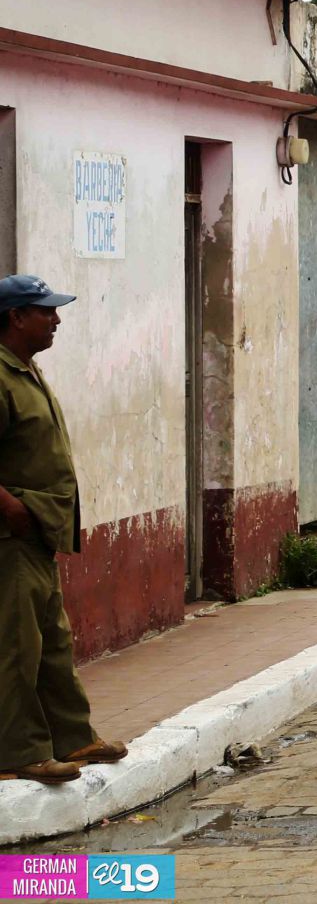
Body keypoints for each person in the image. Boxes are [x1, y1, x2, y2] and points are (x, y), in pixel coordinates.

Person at [0, 275, 129, 784]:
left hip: (39, 535)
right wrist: (12, 510)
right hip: (11, 539)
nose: (56, 320)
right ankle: (19, 752)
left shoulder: (24, 371)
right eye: (45, 311)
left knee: (52, 641)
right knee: (16, 648)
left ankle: (73, 736)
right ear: (15, 317)